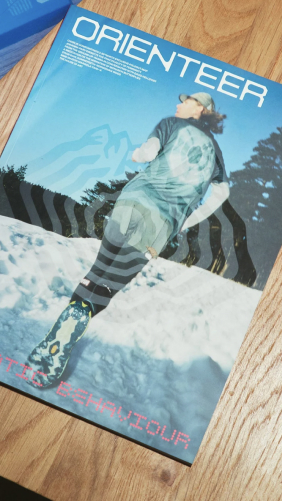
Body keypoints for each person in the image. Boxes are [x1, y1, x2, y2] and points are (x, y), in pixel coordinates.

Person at [26, 92, 229, 388]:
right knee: (109, 285)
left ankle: (64, 326)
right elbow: (222, 193)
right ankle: (70, 332)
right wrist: (186, 220)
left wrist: (138, 154)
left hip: (130, 204)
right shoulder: (217, 152)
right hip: (159, 225)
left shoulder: (171, 124)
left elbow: (145, 154)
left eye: (185, 101)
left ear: (199, 107)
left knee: (97, 271)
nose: (178, 104)